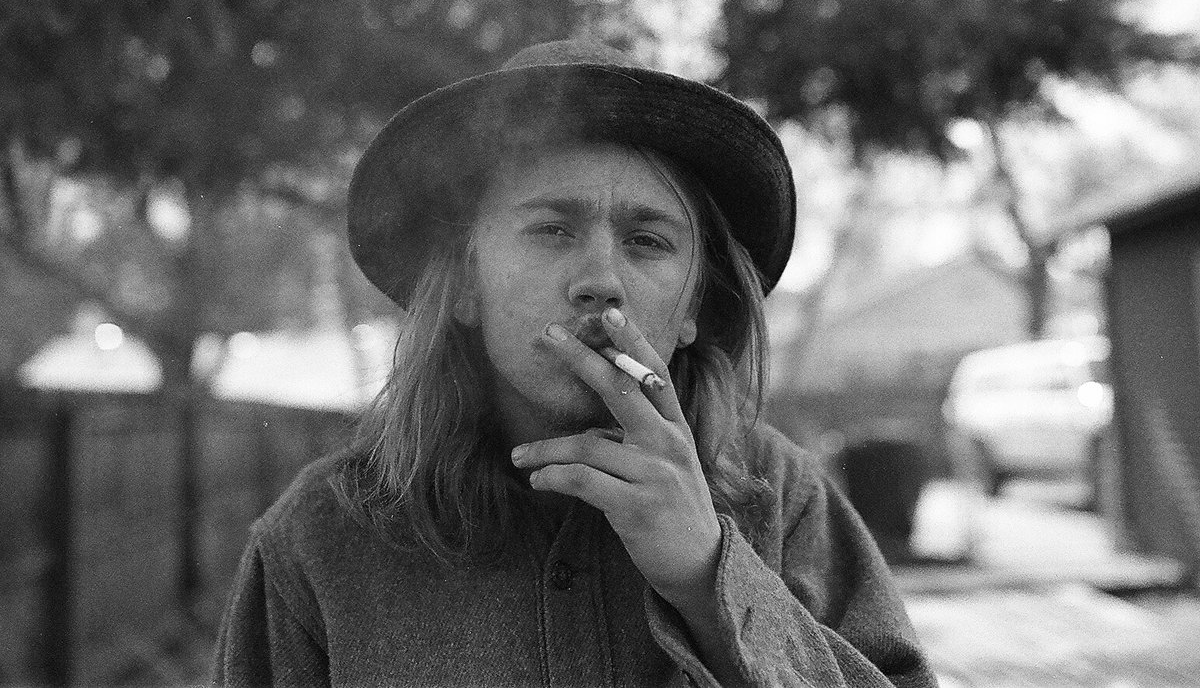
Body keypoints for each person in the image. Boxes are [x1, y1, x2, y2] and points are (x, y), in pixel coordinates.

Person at [212, 39, 937, 687]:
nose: (601, 281)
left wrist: (709, 576)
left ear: (693, 307)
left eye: (648, 241)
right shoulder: (320, 541)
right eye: (552, 230)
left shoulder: (782, 498)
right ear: (466, 283)